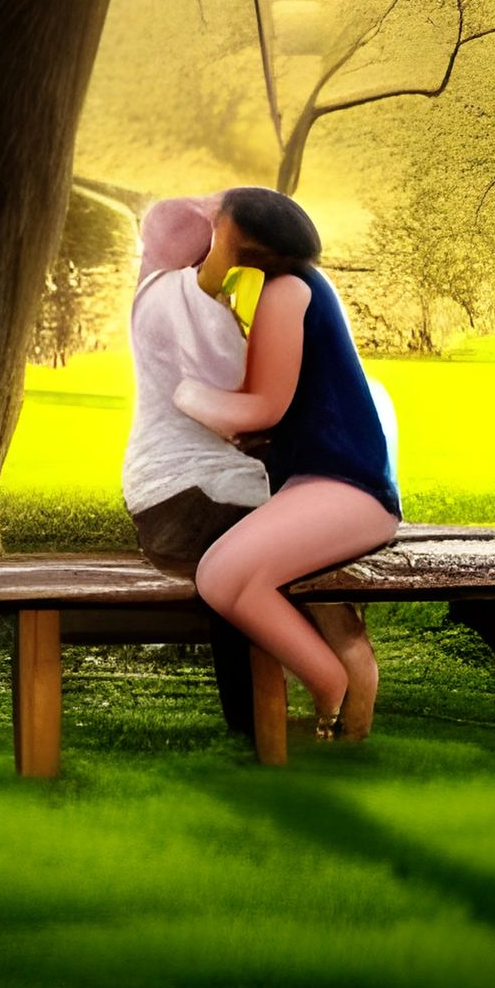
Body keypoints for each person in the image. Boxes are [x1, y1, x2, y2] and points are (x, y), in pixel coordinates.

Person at [174, 187, 400, 741]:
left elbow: (262, 408)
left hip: (348, 488)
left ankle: (329, 687)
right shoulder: (294, 288)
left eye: (215, 224)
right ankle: (335, 700)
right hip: (322, 484)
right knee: (233, 578)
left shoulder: (286, 292)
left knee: (221, 576)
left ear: (243, 242)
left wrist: (185, 394)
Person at [122, 190, 265, 733]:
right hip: (190, 493)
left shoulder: (156, 291)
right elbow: (239, 396)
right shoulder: (184, 295)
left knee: (260, 549)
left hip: (174, 491)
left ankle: (259, 720)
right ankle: (256, 721)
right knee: (268, 549)